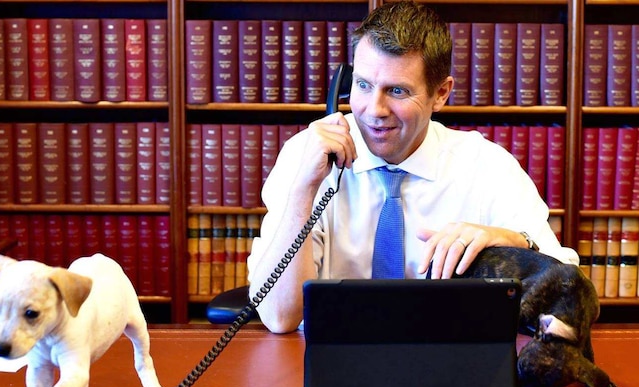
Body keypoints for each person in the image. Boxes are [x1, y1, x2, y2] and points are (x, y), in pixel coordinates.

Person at [246, 1, 579, 334]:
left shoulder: (487, 165)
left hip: (450, 359)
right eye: (362, 85)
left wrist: (512, 241)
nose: (374, 110)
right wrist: (305, 191)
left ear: (441, 94)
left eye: (397, 91)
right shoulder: (307, 156)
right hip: (329, 357)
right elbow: (279, 317)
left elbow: (568, 292)